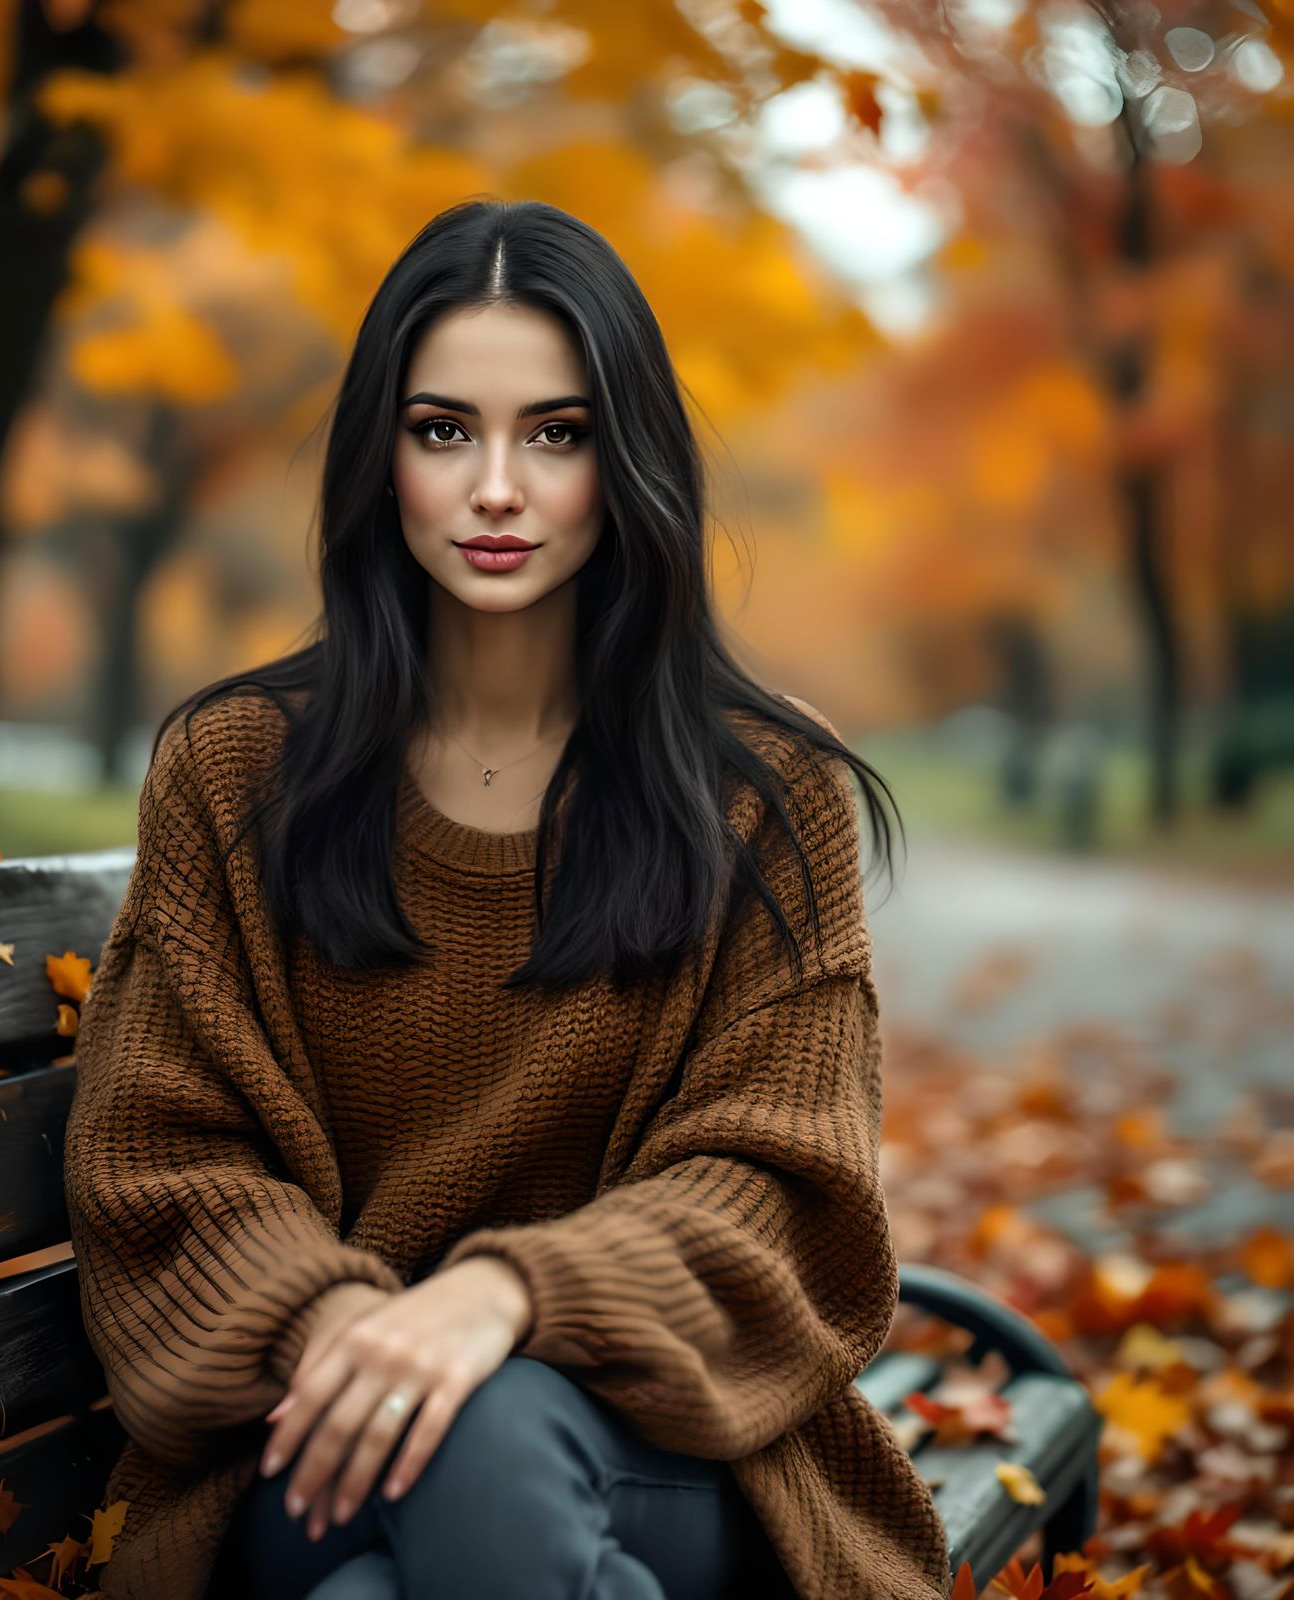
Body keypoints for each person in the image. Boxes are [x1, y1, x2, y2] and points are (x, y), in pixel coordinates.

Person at [62, 198, 952, 1600]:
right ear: (380, 457)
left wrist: (506, 1299)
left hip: (662, 1446)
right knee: (450, 1465)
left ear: (627, 456)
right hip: (314, 1423)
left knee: (452, 1488)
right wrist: (357, 1337)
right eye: (441, 432)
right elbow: (166, 1161)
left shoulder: (763, 792)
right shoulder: (234, 773)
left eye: (556, 434)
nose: (495, 488)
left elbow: (784, 1186)